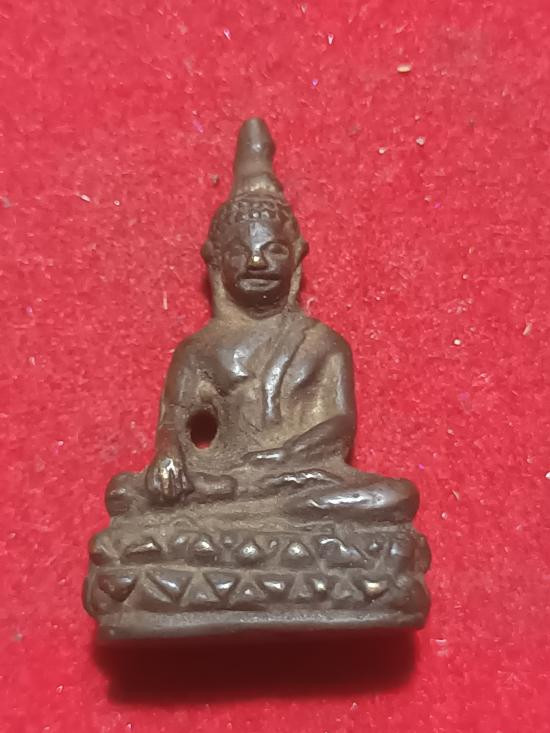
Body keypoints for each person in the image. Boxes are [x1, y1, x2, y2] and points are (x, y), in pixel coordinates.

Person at [106, 118, 418, 525]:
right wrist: (168, 456)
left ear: (297, 256)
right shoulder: (198, 350)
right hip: (224, 475)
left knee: (395, 496)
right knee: (124, 492)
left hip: (297, 475)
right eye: (240, 251)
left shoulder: (322, 343)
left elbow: (339, 424)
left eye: (274, 250)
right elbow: (174, 421)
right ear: (215, 261)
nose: (256, 262)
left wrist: (285, 456)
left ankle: (251, 515)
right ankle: (259, 515)